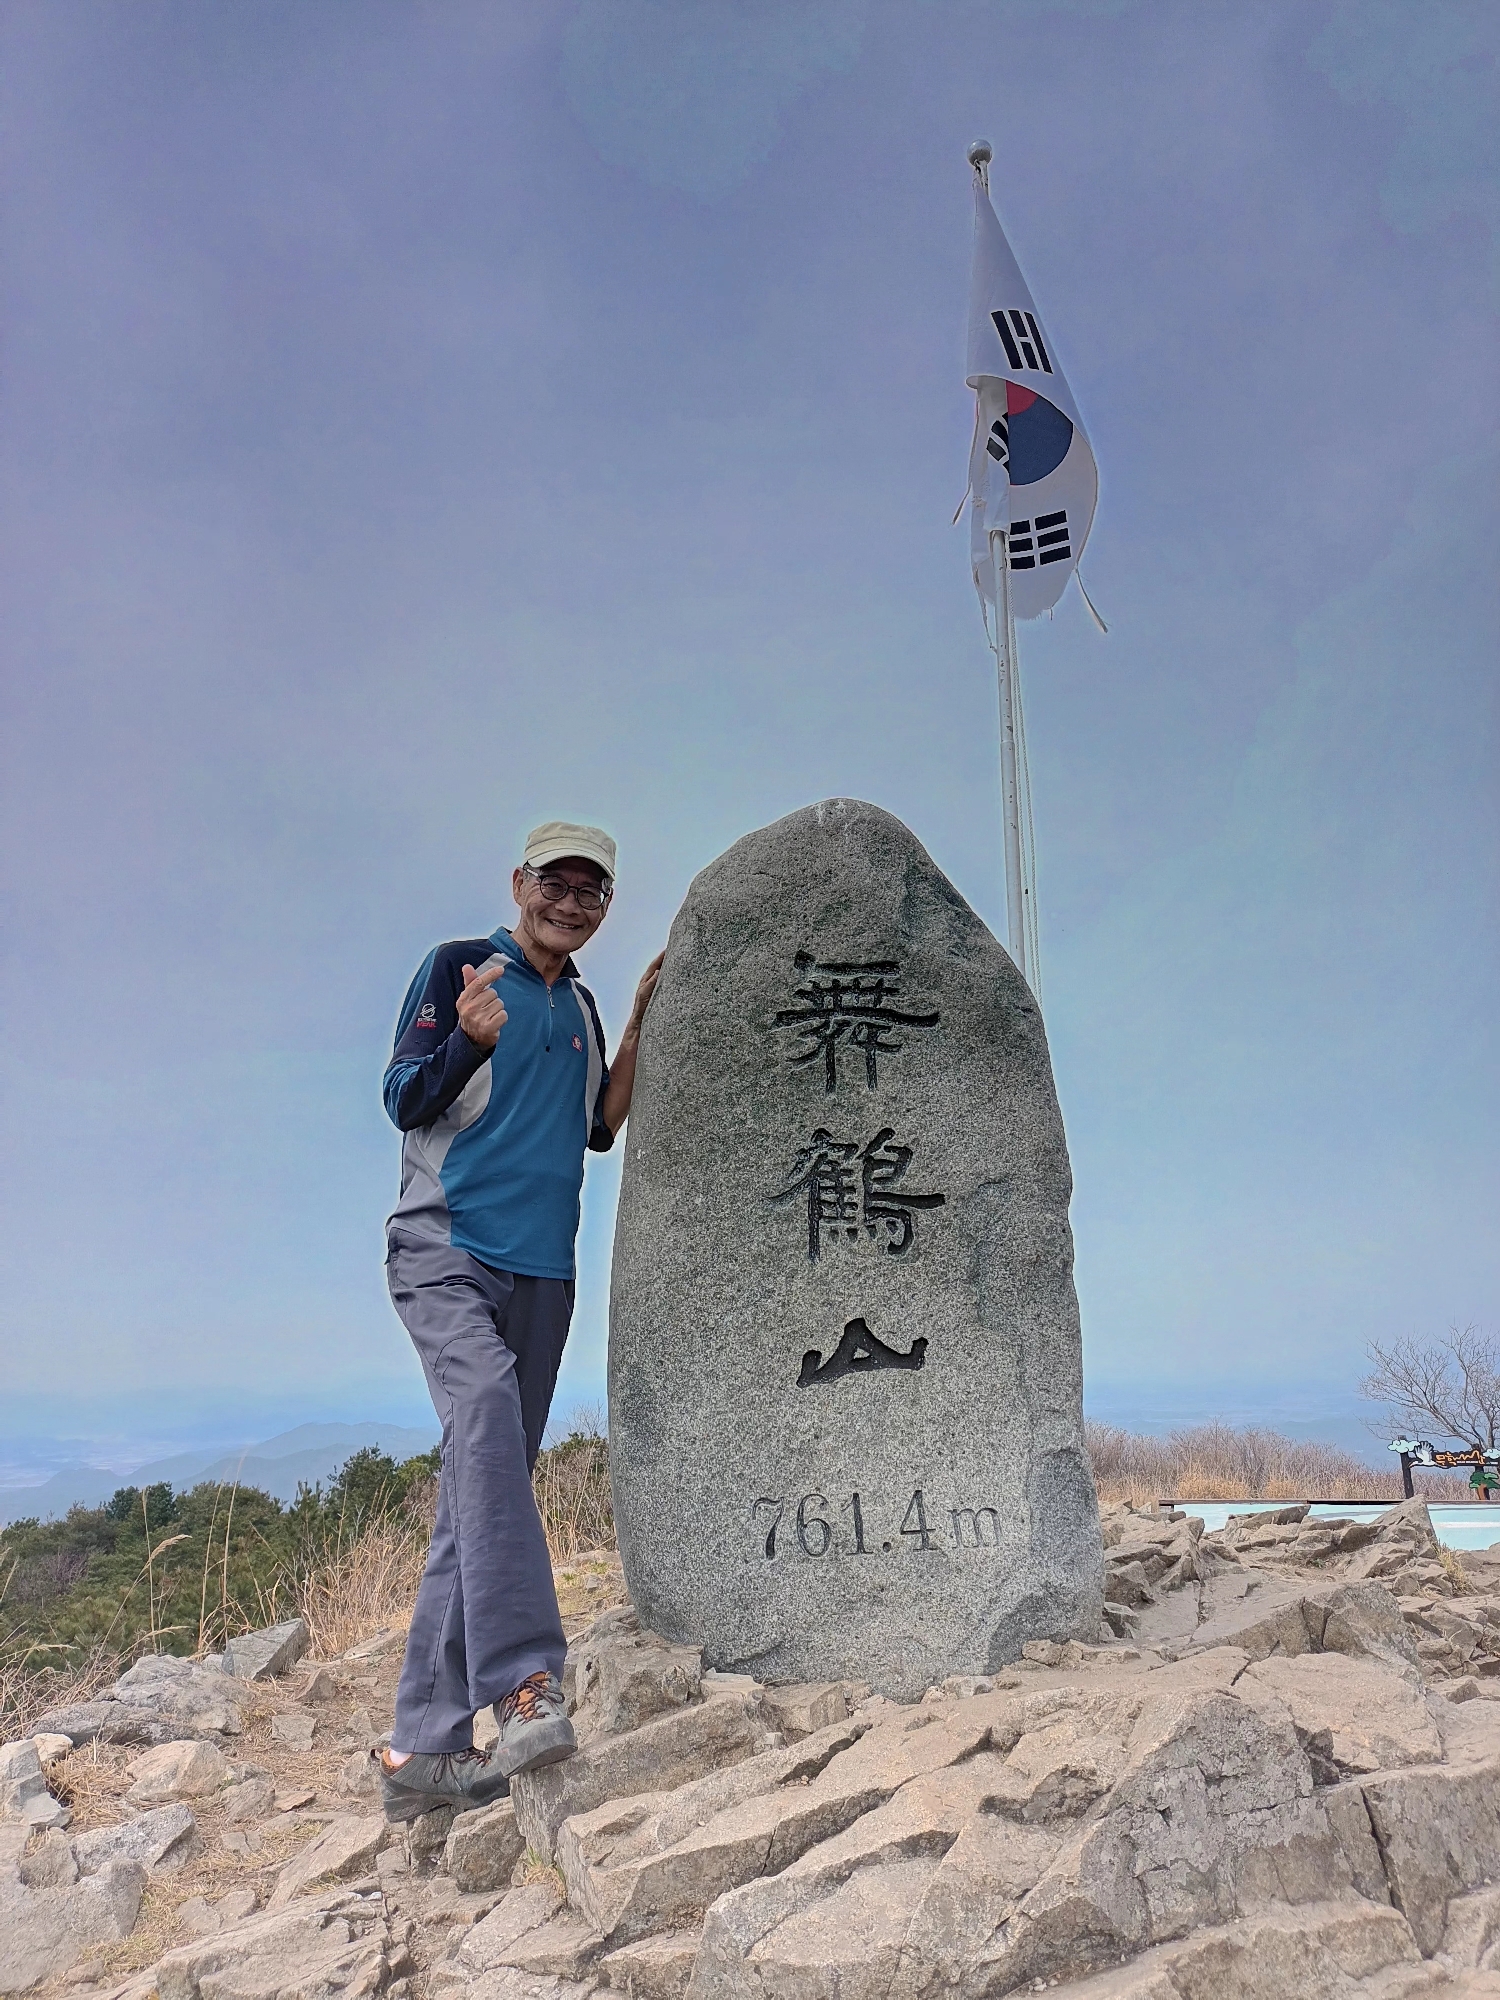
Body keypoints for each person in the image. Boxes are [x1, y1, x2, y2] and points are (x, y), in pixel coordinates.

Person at [374, 820, 662, 1823]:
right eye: (556, 882)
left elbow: (596, 1128)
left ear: (604, 906)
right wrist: (467, 1040)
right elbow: (403, 1097)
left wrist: (639, 1021)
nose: (570, 903)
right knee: (488, 1423)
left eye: (591, 891)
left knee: (484, 1481)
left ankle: (419, 1750)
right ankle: (526, 1680)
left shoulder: (578, 1003)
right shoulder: (461, 966)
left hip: (544, 1272)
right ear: (520, 883)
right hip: (446, 1249)